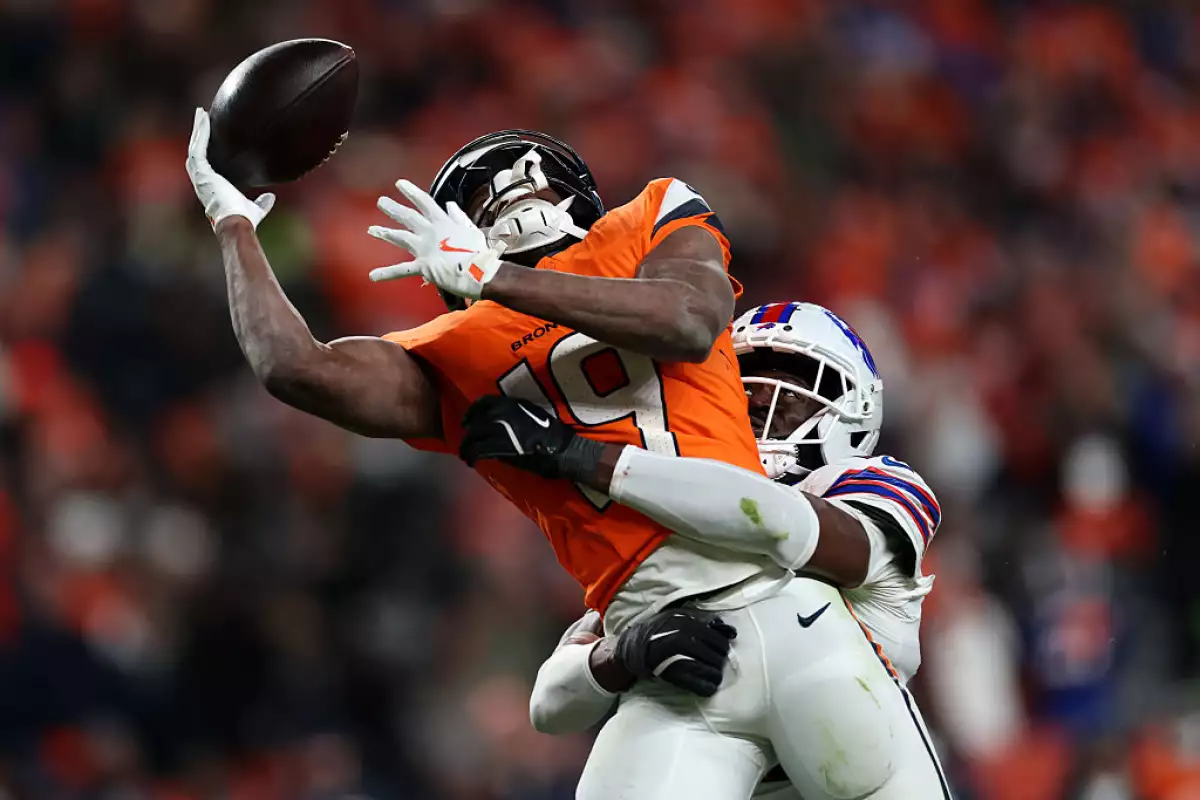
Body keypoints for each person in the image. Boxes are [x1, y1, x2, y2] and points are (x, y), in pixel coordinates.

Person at [185, 115, 769, 633]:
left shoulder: (648, 217)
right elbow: (294, 367)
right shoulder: (453, 348)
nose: (511, 194)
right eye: (484, 201)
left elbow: (690, 323)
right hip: (644, 611)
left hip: (759, 553)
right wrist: (233, 224)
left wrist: (495, 277)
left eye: (528, 177)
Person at [460, 302, 950, 799]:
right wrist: (626, 653)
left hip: (858, 753)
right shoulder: (674, 503)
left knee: (801, 608)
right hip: (719, 765)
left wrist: (582, 455)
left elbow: (779, 522)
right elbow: (550, 706)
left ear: (852, 411)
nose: (759, 401)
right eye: (746, 385)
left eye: (789, 387)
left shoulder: (867, 483)